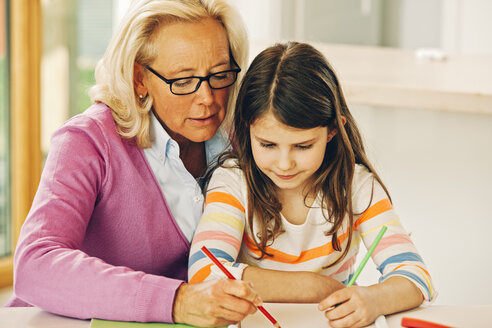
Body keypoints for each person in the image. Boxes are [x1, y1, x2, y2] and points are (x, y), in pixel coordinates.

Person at [5, 0, 263, 326]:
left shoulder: (242, 140)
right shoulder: (86, 141)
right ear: (139, 78)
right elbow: (35, 265)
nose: (208, 98)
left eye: (220, 74)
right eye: (183, 80)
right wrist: (177, 300)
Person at [188, 42, 437, 328]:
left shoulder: (356, 187)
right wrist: (312, 287)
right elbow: (204, 273)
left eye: (303, 146)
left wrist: (374, 300)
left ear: (333, 129)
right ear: (246, 128)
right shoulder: (233, 182)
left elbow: (416, 276)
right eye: (267, 144)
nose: (284, 164)